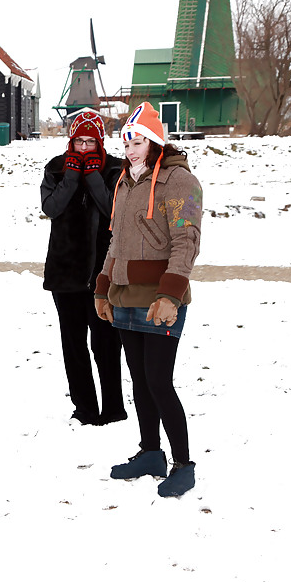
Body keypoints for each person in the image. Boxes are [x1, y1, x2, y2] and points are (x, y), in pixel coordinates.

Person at [93, 102, 203, 497]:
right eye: (126, 142)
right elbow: (114, 242)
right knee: (139, 381)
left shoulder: (179, 182)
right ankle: (150, 453)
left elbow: (186, 240)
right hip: (124, 295)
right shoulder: (124, 181)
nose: (130, 149)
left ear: (154, 140)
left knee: (159, 381)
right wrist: (103, 285)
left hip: (160, 298)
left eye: (137, 141)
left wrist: (170, 294)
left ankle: (184, 463)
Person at [40, 108, 127, 427]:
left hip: (102, 272)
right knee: (73, 345)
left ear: (101, 141)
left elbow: (113, 210)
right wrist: (73, 175)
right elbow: (51, 207)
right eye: (80, 141)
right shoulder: (56, 168)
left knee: (106, 343)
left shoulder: (116, 169)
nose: (85, 147)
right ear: (71, 141)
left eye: (91, 141)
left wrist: (92, 175)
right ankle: (85, 408)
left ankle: (114, 408)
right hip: (65, 273)